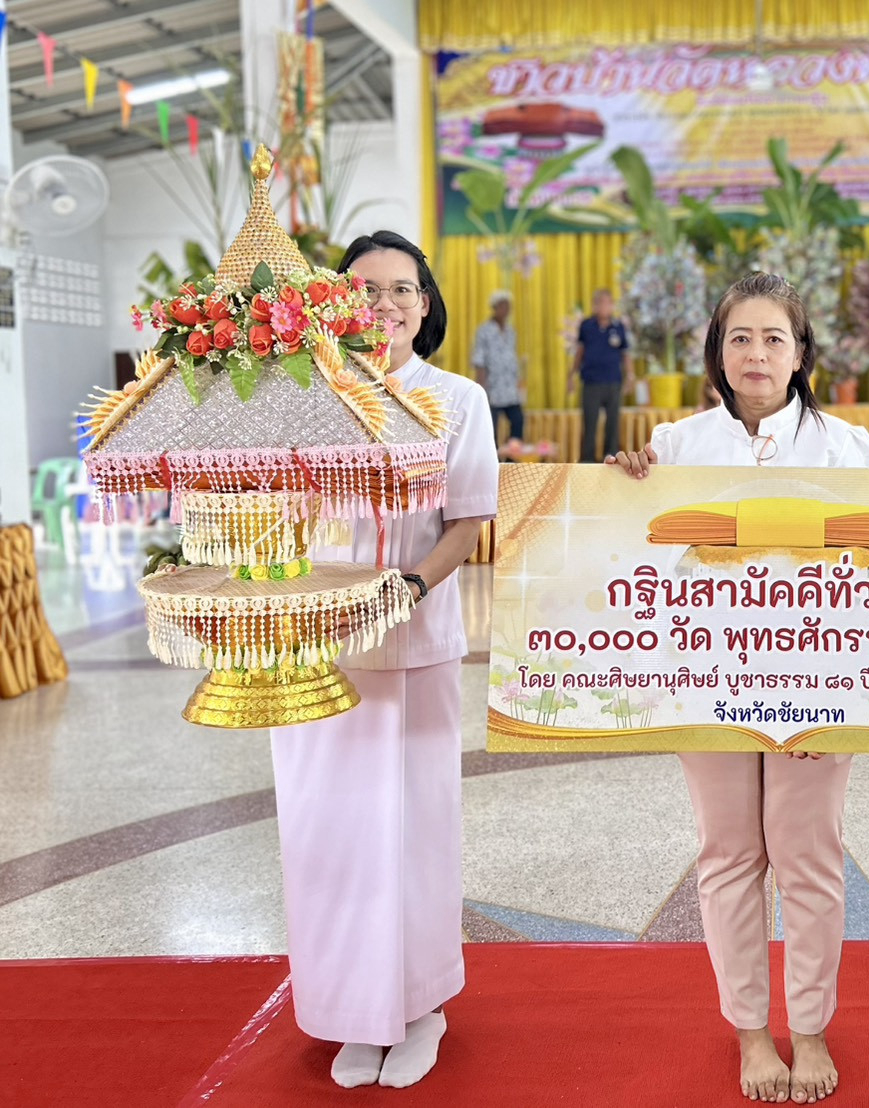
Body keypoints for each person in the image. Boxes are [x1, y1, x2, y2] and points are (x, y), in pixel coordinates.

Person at [608, 272, 869, 1105]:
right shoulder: (675, 446)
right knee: (729, 853)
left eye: (773, 339)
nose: (755, 354)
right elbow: (636, 556)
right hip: (706, 680)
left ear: (800, 355)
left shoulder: (848, 447)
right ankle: (752, 1032)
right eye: (739, 339)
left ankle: (812, 1025)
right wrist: (625, 489)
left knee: (808, 854)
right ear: (715, 354)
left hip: (817, 681)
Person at [269, 231, 498, 1090]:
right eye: (366, 291)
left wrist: (408, 588)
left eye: (404, 290)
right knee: (326, 831)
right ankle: (350, 1014)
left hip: (413, 644)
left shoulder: (457, 400)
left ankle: (421, 1007)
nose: (387, 306)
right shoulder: (300, 395)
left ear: (427, 305)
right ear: (331, 307)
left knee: (412, 831)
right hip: (313, 647)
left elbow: (469, 522)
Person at [568, 288, 632, 462]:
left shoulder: (619, 327)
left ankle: (610, 459)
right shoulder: (586, 326)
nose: (603, 306)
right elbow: (580, 351)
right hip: (591, 382)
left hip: (613, 382)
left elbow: (625, 354)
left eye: (607, 302)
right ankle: (587, 461)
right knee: (590, 424)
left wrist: (630, 377)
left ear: (612, 305)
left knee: (613, 424)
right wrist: (571, 376)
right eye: (599, 302)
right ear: (594, 305)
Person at [471, 290, 524, 446]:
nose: (506, 310)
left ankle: (512, 457)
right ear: (494, 307)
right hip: (492, 386)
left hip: (510, 387)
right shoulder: (484, 330)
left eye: (508, 306)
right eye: (502, 306)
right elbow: (479, 358)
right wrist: (482, 385)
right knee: (490, 426)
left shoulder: (510, 331)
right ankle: (493, 458)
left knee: (518, 420)